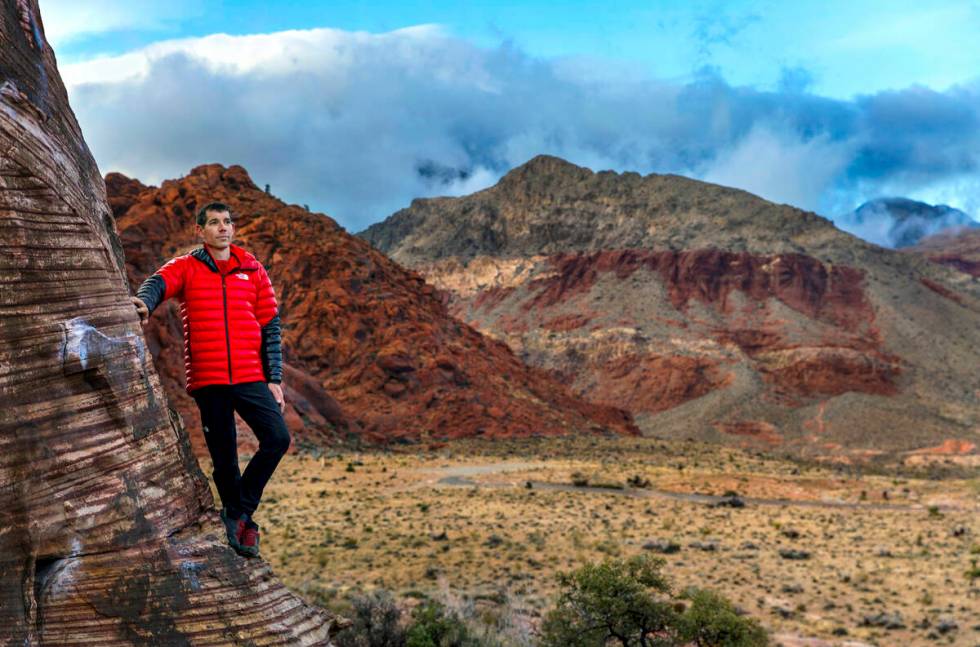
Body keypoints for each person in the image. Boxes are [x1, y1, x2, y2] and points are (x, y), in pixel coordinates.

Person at [132, 201, 288, 558]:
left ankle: (239, 512)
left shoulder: (252, 269)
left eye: (227, 222)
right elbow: (158, 283)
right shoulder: (187, 267)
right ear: (200, 231)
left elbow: (270, 326)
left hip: (250, 375)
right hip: (209, 379)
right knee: (225, 458)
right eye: (215, 223)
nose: (223, 228)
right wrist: (144, 303)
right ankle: (238, 523)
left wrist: (274, 378)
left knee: (277, 438)